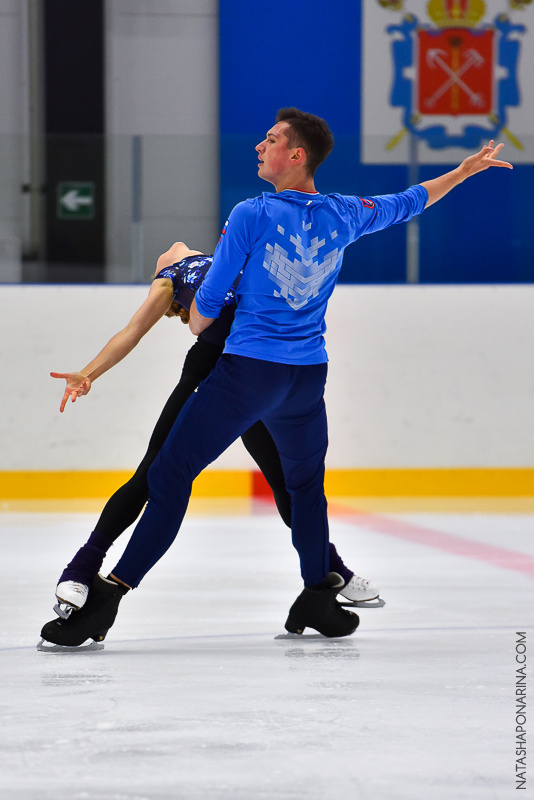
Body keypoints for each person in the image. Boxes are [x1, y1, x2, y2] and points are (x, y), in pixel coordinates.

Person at [41, 107, 512, 648]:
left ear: (297, 155)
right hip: (307, 377)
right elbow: (410, 202)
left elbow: (213, 293)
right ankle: (319, 593)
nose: (259, 147)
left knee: (170, 475)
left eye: (270, 140)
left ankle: (110, 595)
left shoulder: (252, 212)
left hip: (248, 374)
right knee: (306, 489)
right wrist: (463, 172)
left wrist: (198, 318)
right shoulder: (346, 211)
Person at [46, 241, 378, 621]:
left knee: (287, 486)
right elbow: (133, 331)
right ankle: (80, 568)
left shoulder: (227, 257)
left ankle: (329, 571)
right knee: (153, 473)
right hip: (212, 370)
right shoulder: (167, 281)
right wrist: (88, 373)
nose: (174, 244)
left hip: (260, 371)